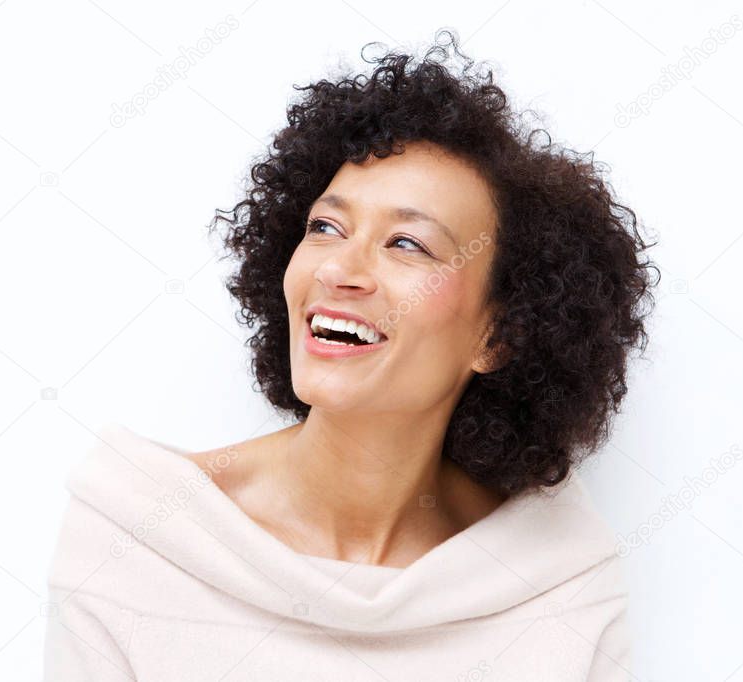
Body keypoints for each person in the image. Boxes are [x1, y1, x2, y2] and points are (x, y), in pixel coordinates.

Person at [43, 28, 658, 681]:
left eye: (406, 244)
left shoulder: (559, 580)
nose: (340, 268)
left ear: (497, 335)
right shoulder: (136, 531)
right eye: (325, 227)